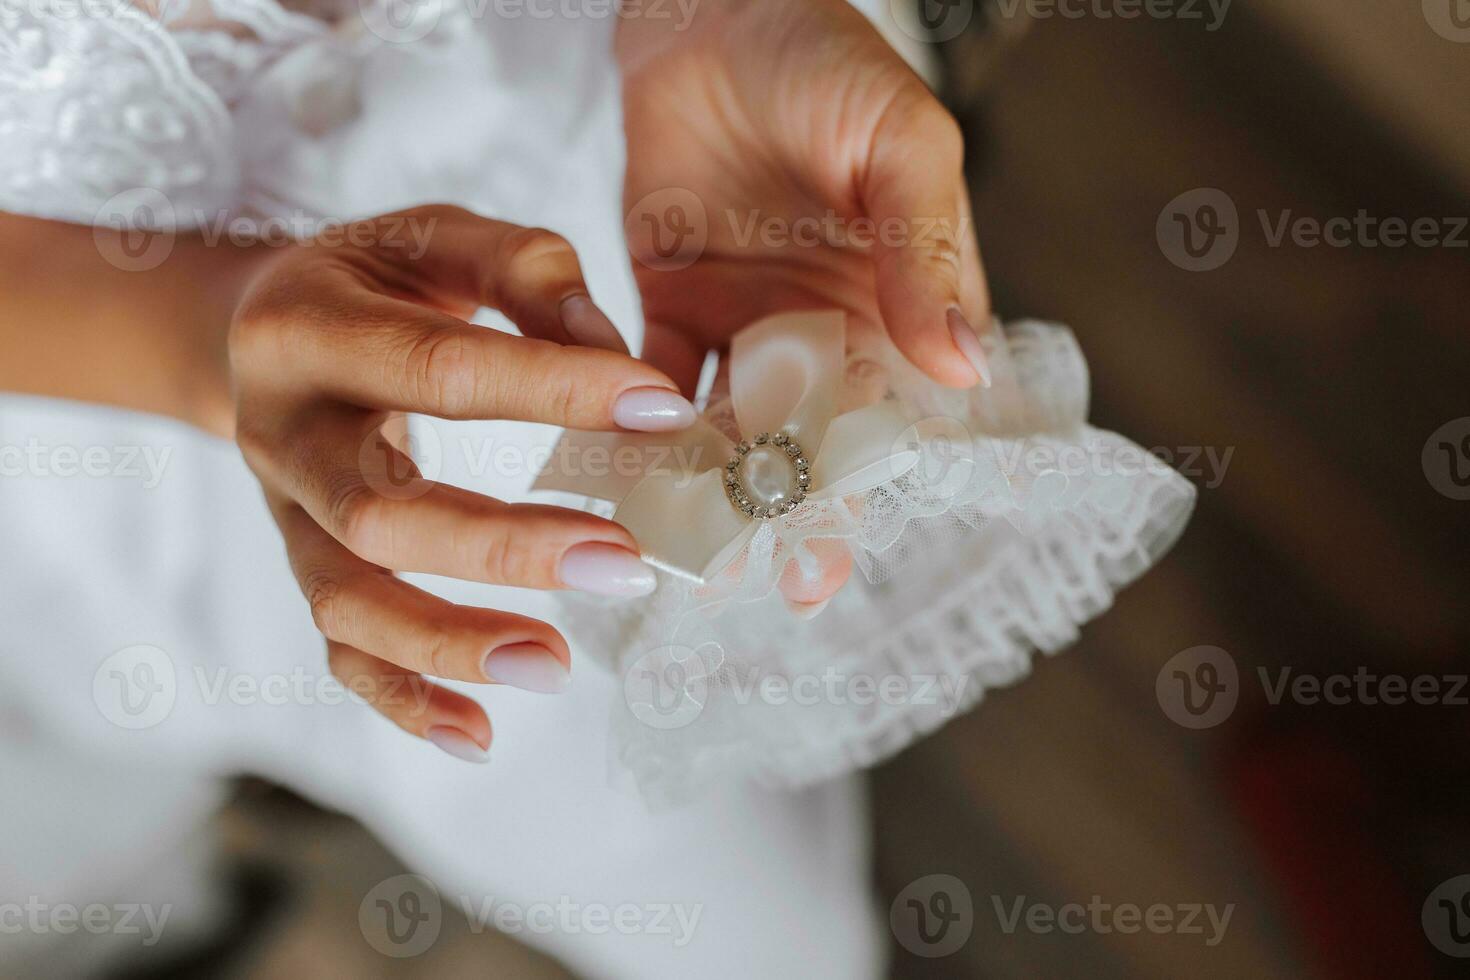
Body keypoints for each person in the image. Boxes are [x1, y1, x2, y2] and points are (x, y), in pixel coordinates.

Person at [0, 1, 1191, 975]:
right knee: (118, 738)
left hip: (654, 159)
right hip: (107, 431)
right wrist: (193, 330)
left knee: (711, 899)